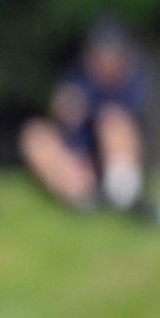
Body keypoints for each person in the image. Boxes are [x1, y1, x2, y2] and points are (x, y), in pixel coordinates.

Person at [20, 21, 148, 212]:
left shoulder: (131, 84)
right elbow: (65, 120)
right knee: (35, 134)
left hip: (109, 160)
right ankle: (80, 195)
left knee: (113, 120)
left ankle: (122, 193)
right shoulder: (76, 79)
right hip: (76, 161)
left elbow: (127, 124)